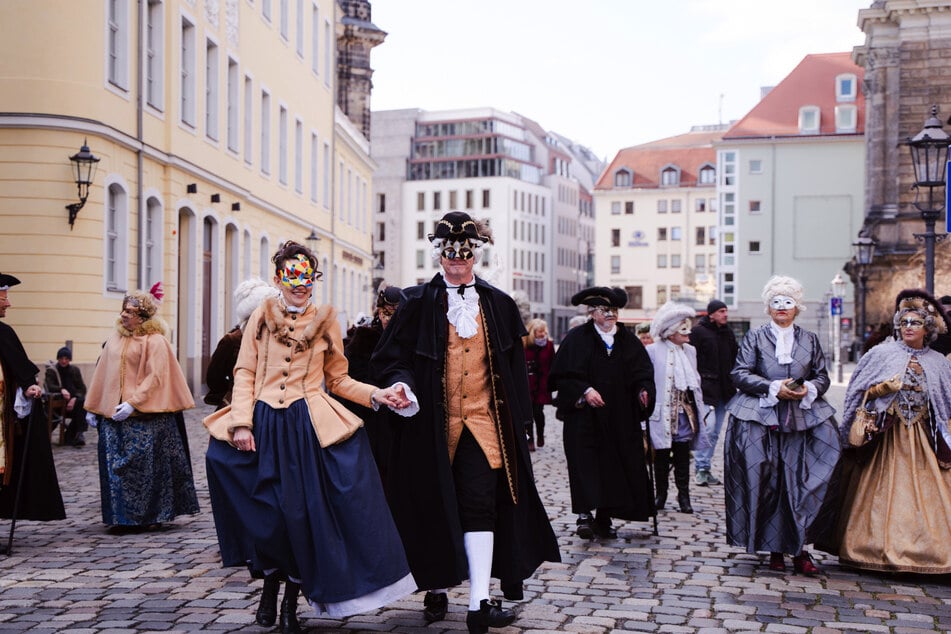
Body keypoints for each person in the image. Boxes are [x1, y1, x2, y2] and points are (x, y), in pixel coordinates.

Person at [204, 241, 415, 634]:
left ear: (315, 278)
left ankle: (289, 601)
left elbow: (338, 379)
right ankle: (270, 581)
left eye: (307, 277)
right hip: (264, 423)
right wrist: (241, 423)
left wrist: (376, 395)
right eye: (292, 277)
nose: (300, 285)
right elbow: (245, 373)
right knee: (264, 508)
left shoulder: (327, 321)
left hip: (306, 428)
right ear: (279, 278)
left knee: (301, 517)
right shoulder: (260, 319)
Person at [370, 211, 560, 634]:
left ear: (476, 254)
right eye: (450, 251)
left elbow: (513, 371)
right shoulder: (416, 304)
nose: (458, 259)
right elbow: (390, 360)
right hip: (429, 428)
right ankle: (436, 586)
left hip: (483, 425)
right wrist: (402, 385)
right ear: (439, 254)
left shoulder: (497, 305)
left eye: (466, 252)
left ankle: (478, 604)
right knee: (433, 505)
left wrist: (521, 424)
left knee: (480, 505)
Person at [817, 289, 951, 573]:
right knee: (876, 494)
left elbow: (945, 402)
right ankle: (871, 548)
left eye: (915, 323)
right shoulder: (881, 354)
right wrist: (881, 390)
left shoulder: (939, 363)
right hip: (884, 437)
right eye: (904, 323)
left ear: (927, 329)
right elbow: (858, 392)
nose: (908, 328)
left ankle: (926, 552)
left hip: (923, 439)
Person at [724, 275, 839, 575]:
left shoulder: (809, 339)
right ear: (768, 306)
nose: (782, 307)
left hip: (802, 420)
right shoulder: (755, 337)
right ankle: (775, 548)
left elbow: (822, 375)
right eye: (776, 302)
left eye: (788, 302)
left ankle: (800, 548)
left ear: (797, 307)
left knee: (801, 484)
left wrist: (809, 388)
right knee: (769, 484)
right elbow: (740, 373)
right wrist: (773, 387)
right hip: (763, 421)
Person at [84, 288, 199, 534]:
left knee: (146, 469)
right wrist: (93, 406)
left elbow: (155, 376)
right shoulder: (116, 339)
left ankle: (150, 517)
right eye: (124, 310)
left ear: (143, 316)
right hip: (114, 416)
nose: (124, 315)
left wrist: (133, 403)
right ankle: (121, 517)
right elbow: (102, 372)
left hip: (147, 417)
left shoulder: (156, 341)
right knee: (115, 468)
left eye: (131, 311)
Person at [549, 286, 656, 540]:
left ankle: (604, 518)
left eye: (614, 310)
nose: (610, 315)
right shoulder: (577, 338)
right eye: (605, 310)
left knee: (614, 467)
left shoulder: (628, 341)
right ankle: (584, 515)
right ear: (592, 313)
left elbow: (644, 372)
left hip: (619, 418)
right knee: (584, 465)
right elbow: (562, 376)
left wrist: (644, 390)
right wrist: (584, 390)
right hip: (584, 418)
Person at [0, 273, 66, 528]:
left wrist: (27, 388)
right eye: (3, 298)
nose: (8, 304)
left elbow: (17, 371)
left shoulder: (4, 333)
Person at [645, 302, 706, 514]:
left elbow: (694, 381)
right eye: (683, 329)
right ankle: (660, 494)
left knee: (682, 456)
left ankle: (684, 496)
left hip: (684, 413)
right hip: (662, 412)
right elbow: (646, 380)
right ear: (671, 332)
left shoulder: (690, 351)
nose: (688, 333)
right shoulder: (652, 351)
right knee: (660, 456)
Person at [340, 284, 402, 477]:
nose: (389, 320)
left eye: (395, 314)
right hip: (370, 422)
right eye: (386, 313)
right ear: (379, 312)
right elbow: (347, 383)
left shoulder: (410, 340)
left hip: (402, 424)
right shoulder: (364, 340)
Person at [204, 278, 279, 411]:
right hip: (238, 407)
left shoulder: (280, 337)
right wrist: (232, 392)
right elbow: (214, 378)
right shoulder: (232, 340)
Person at [689, 299, 738, 486]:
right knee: (707, 429)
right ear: (711, 314)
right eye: (721, 311)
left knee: (716, 432)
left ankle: (705, 468)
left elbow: (735, 358)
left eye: (726, 311)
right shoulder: (698, 332)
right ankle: (700, 468)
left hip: (724, 391)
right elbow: (690, 358)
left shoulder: (728, 334)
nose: (725, 314)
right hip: (705, 390)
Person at [44, 346, 88, 446]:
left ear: (69, 360)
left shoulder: (74, 370)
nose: (64, 361)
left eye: (66, 359)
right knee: (80, 407)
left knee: (82, 403)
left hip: (73, 403)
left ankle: (78, 434)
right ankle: (72, 436)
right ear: (58, 359)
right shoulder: (52, 371)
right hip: (58, 403)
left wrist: (74, 398)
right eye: (61, 358)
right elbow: (50, 385)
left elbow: (82, 388)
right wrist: (61, 389)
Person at [523, 318, 554, 452]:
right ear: (532, 332)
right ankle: (530, 440)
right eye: (539, 331)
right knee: (528, 413)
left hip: (542, 383)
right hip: (528, 383)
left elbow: (553, 362)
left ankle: (540, 434)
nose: (542, 334)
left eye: (544, 331)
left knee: (538, 412)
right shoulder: (523, 343)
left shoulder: (548, 345)